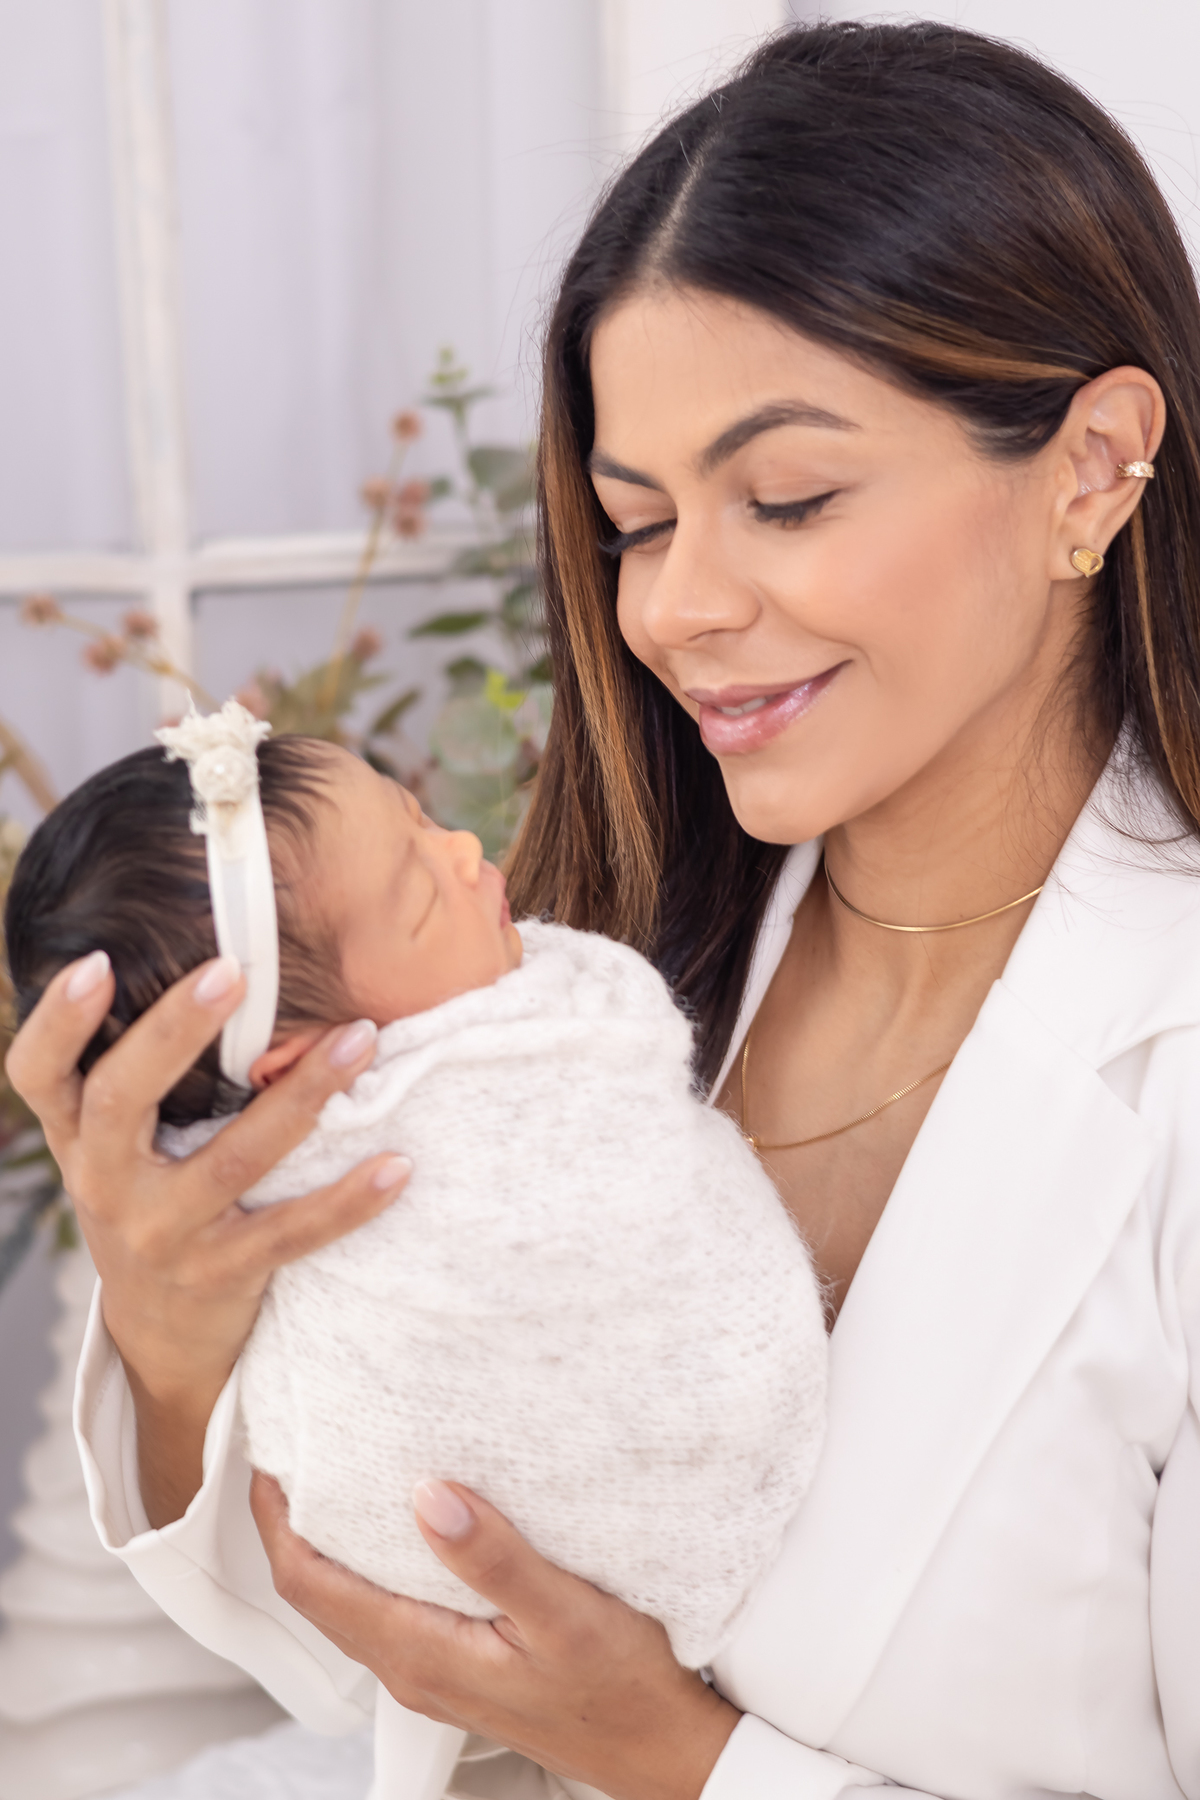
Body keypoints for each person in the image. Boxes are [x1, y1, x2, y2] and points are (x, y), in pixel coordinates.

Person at [9, 17, 1200, 1799]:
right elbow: (374, 1621)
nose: (672, 609)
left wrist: (675, 1759)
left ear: (1095, 467)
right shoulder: (564, 970)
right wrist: (176, 1357)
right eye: (636, 522)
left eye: (785, 498)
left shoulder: (1170, 1068)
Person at [3, 711, 825, 1756]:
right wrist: (164, 1356)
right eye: (419, 894)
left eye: (425, 818)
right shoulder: (279, 1194)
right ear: (295, 1064)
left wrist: (671, 1749)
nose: (467, 849)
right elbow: (345, 1625)